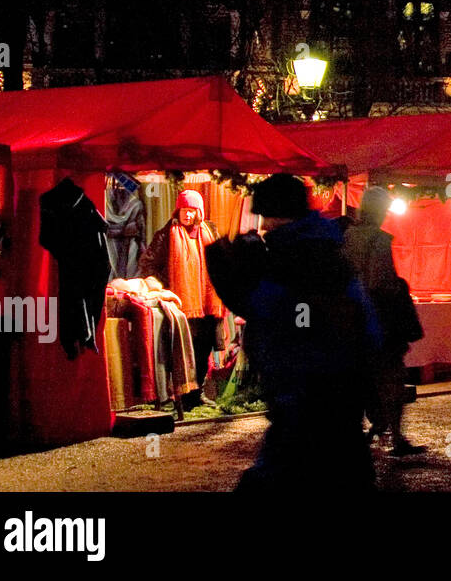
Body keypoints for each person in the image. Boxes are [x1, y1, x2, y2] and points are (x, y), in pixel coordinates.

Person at [205, 173, 383, 491]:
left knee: (284, 476)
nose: (262, 226)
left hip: (306, 397)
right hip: (337, 395)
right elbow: (365, 323)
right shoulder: (326, 249)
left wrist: (235, 280)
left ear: (277, 217)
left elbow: (285, 316)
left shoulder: (295, 257)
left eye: (266, 218)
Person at [343, 186, 426, 457]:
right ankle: (396, 437)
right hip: (378, 320)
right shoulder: (378, 240)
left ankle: (365, 432)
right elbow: (381, 282)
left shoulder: (346, 237)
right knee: (391, 379)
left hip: (351, 322)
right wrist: (399, 288)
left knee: (359, 381)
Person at [138, 189, 223, 392]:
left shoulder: (210, 231)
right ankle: (183, 394)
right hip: (181, 304)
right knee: (185, 350)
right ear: (178, 210)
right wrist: (164, 286)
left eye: (192, 210)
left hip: (208, 304)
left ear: (199, 212)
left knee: (204, 348)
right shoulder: (167, 234)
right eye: (184, 210)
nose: (187, 214)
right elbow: (147, 263)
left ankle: (198, 391)